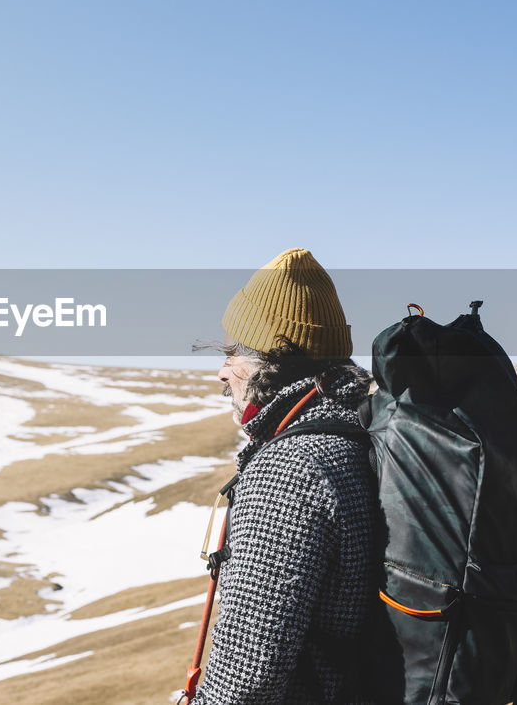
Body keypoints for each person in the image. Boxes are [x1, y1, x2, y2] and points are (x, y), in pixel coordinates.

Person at [191, 247, 381, 705]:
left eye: (234, 352)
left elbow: (246, 677)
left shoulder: (291, 467)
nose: (222, 371)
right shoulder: (356, 429)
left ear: (271, 361)